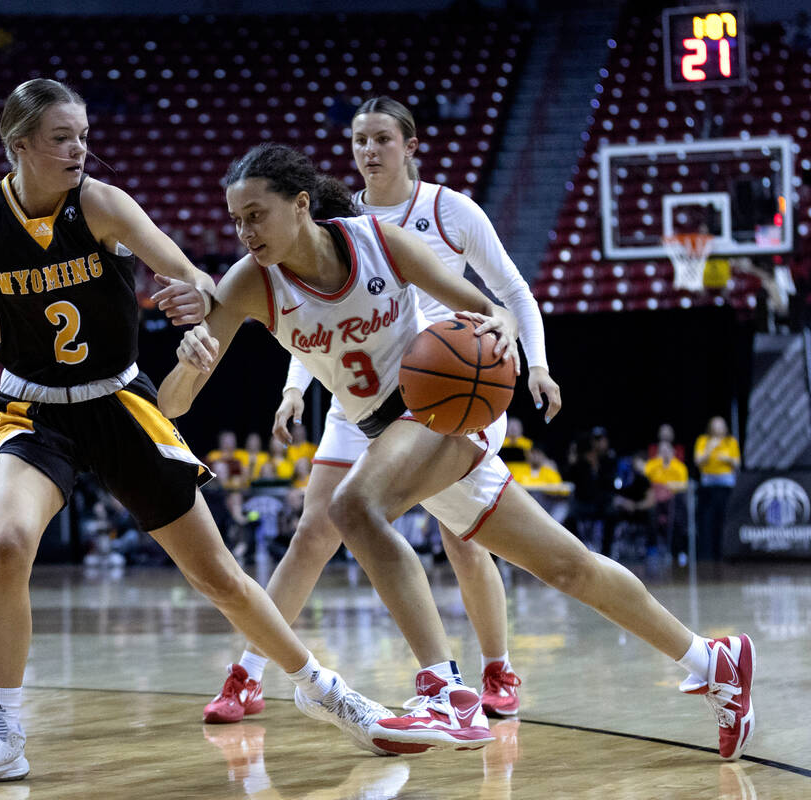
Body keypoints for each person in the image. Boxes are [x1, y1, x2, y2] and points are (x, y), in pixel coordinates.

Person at [0, 78, 394, 786]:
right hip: (33, 410)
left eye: (82, 134)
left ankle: (325, 690)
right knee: (8, 543)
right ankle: (4, 730)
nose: (80, 148)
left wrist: (196, 304)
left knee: (219, 577)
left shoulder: (100, 202)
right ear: (19, 146)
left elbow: (187, 271)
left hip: (119, 403)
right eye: (62, 138)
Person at [158, 142, 755, 761]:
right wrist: (185, 364)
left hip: (446, 406)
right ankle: (713, 660)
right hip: (386, 433)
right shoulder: (251, 284)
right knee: (567, 566)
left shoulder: (378, 243)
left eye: (255, 214)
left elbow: (485, 306)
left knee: (351, 507)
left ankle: (446, 692)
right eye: (236, 220)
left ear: (300, 204)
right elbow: (176, 404)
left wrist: (498, 330)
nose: (244, 231)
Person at [183, 98, 560, 727]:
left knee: (463, 538)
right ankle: (248, 673)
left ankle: (493, 670)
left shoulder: (448, 209)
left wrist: (538, 362)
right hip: (356, 396)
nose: (368, 151)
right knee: (313, 532)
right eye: (359, 140)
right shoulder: (339, 218)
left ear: (410, 146)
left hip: (443, 383)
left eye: (382, 139)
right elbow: (310, 319)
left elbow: (511, 292)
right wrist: (294, 388)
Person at [694, 416, 740, 562]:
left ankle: (724, 553)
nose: (718, 427)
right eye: (715, 425)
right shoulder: (703, 441)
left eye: (721, 425)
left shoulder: (730, 442)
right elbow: (698, 461)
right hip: (708, 483)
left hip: (725, 484)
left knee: (724, 519)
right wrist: (710, 449)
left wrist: (726, 458)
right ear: (710, 427)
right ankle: (707, 555)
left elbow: (737, 463)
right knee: (707, 520)